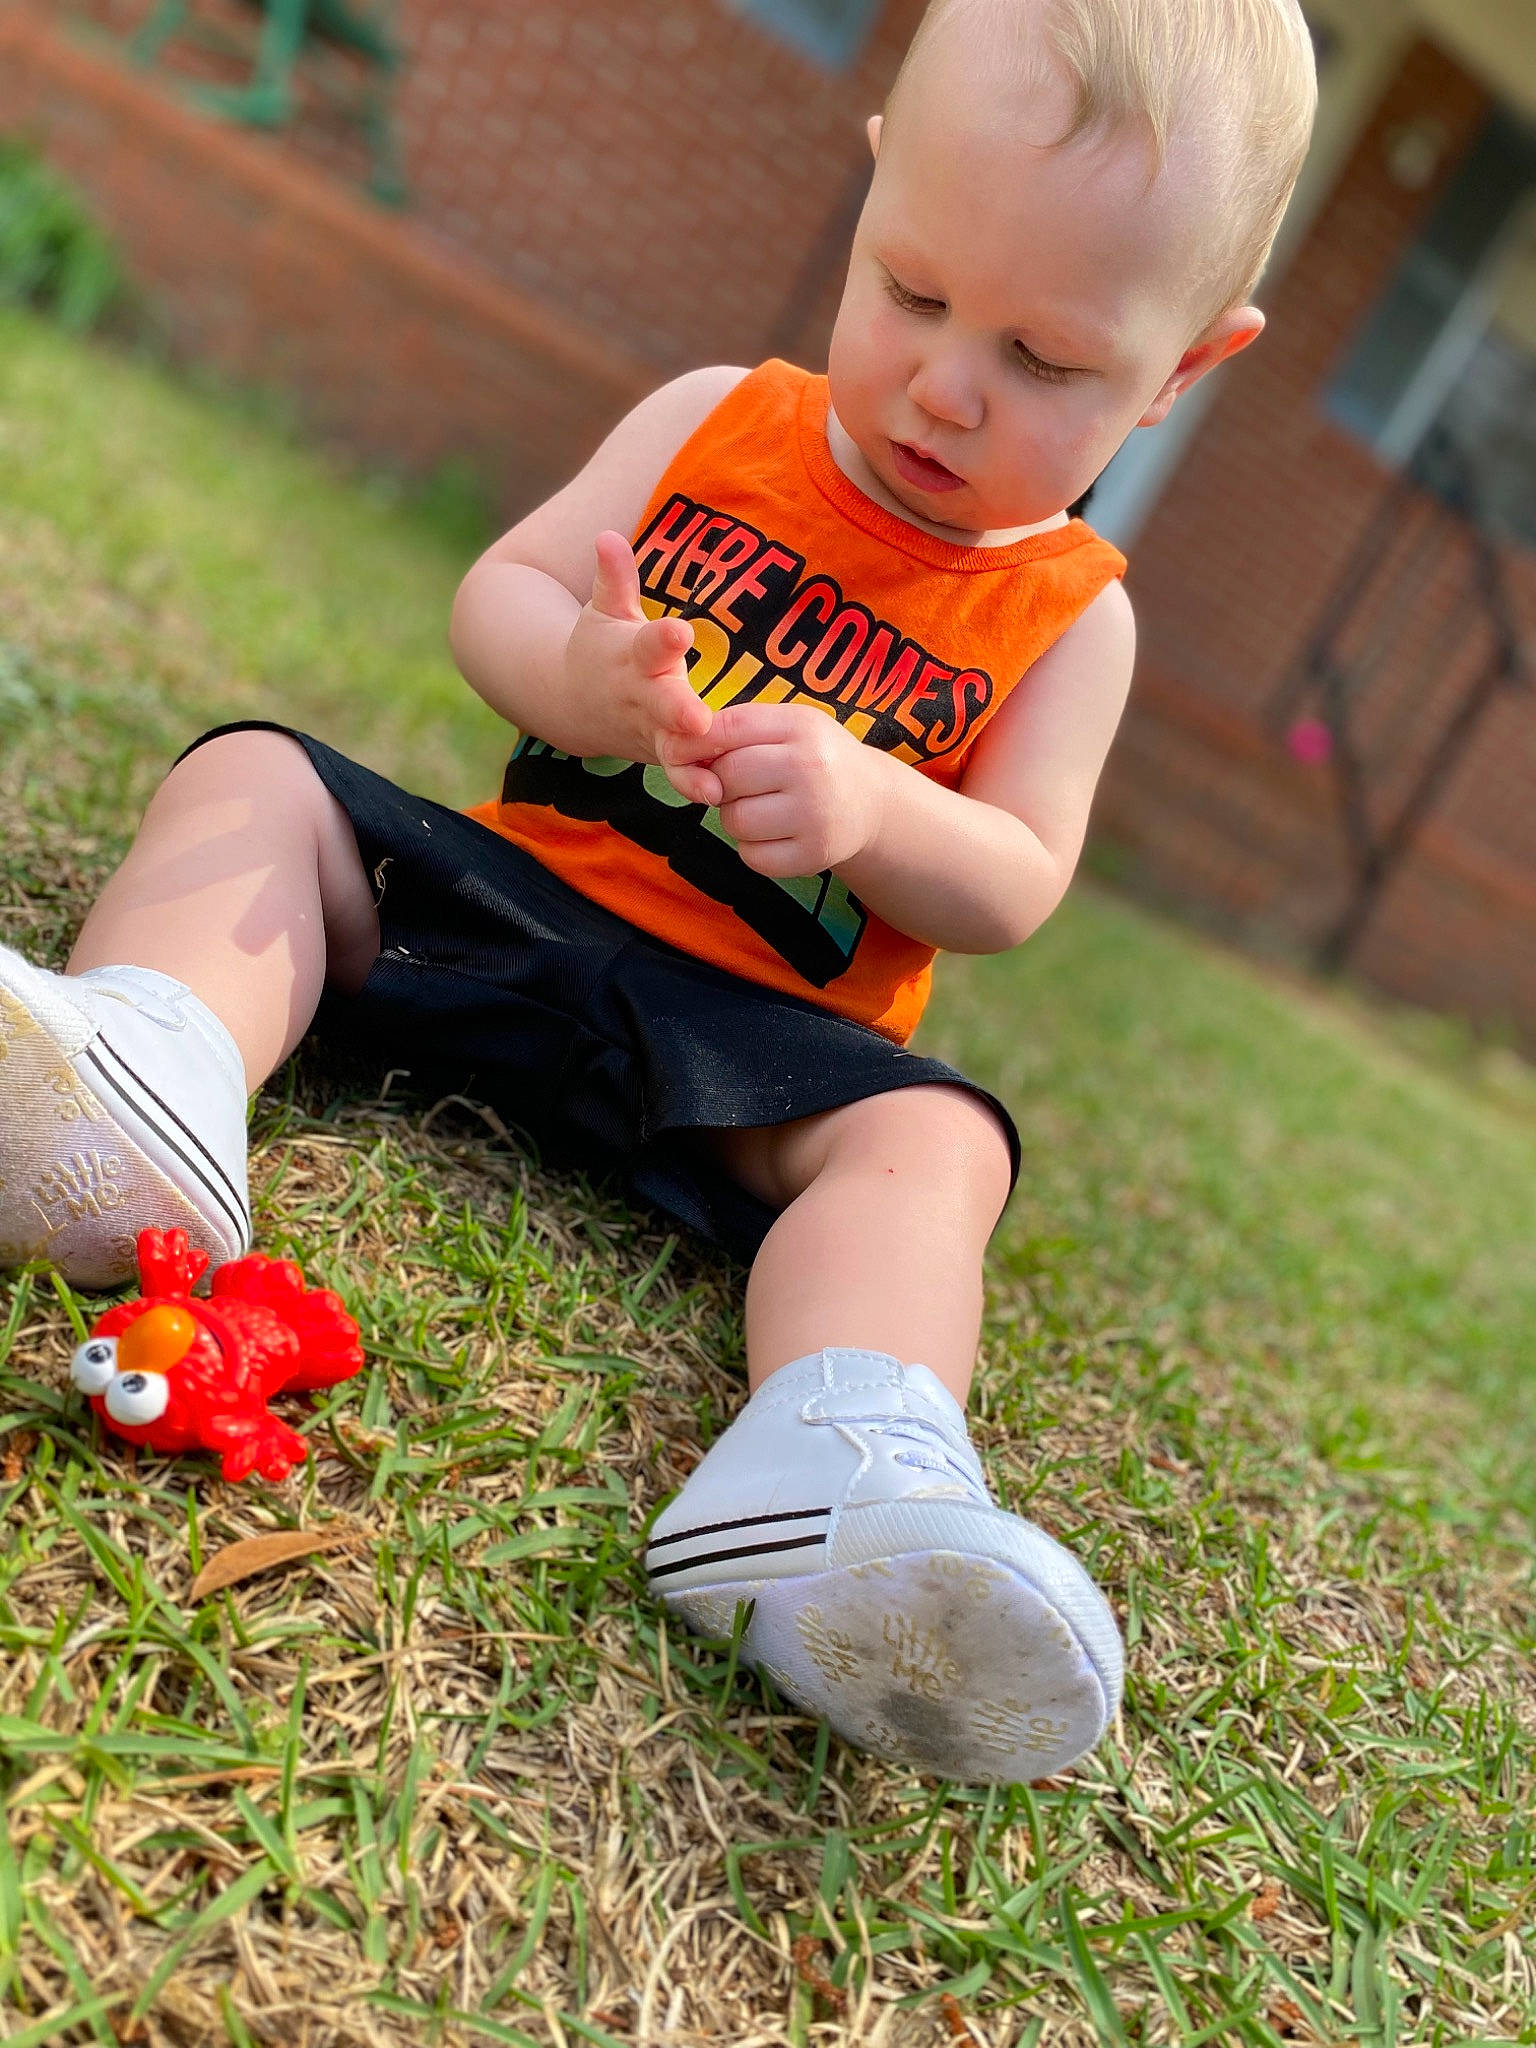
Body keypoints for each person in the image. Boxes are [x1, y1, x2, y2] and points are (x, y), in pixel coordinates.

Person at [0, 0, 1315, 1782]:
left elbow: (1014, 883)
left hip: (750, 1056)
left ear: (1179, 374)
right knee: (258, 780)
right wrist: (585, 679)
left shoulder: (1074, 616)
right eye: (914, 292)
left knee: (939, 1148)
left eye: (1049, 359)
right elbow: (501, 600)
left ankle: (847, 1468)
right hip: (511, 911)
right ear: (870, 195)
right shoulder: (722, 418)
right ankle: (156, 1072)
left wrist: (871, 805)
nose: (946, 381)